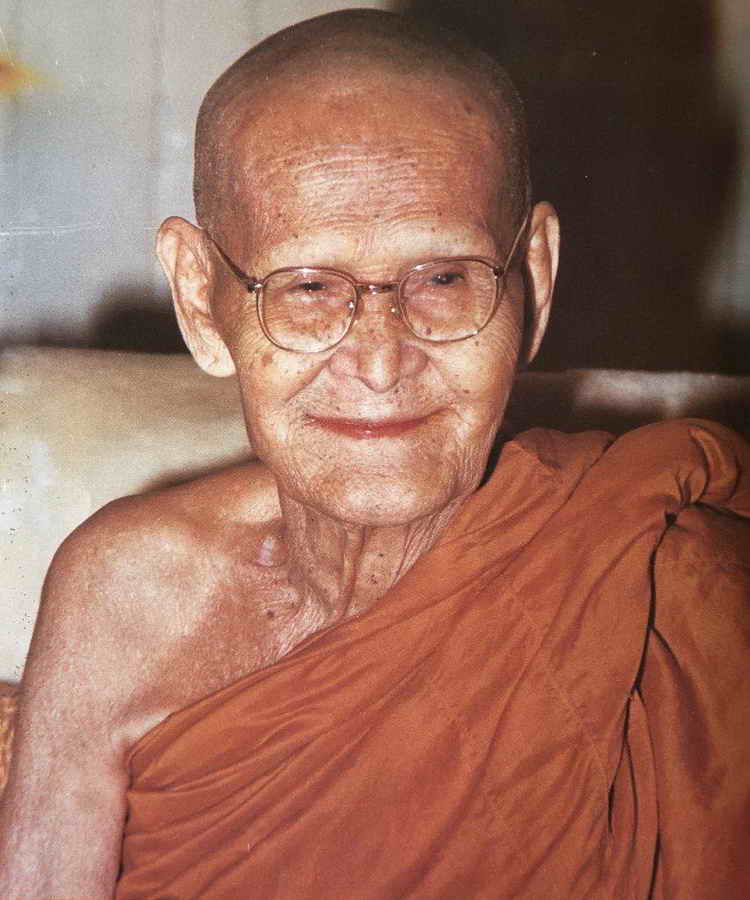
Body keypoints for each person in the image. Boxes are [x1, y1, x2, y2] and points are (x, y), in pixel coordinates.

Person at [1, 9, 748, 899]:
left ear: (535, 281)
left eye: (444, 278)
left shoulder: (670, 586)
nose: (383, 361)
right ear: (201, 303)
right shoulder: (122, 592)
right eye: (308, 287)